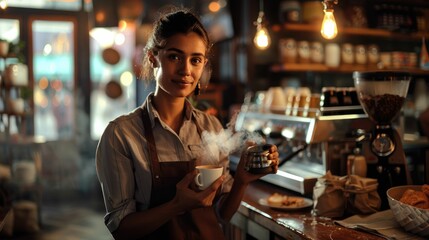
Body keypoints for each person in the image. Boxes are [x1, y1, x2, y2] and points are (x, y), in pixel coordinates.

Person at [95, 7, 279, 240]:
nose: (186, 70)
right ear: (153, 58)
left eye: (196, 60)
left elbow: (221, 213)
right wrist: (176, 205)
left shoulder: (210, 126)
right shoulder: (121, 135)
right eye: (174, 56)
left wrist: (241, 181)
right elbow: (121, 229)